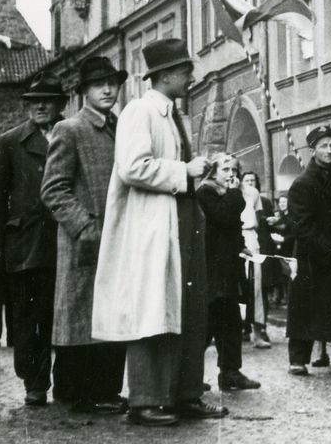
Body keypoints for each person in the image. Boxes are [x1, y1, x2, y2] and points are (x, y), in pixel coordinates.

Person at [91, 37, 226, 426]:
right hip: (154, 227)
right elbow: (133, 166)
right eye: (185, 71)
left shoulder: (172, 114)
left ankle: (185, 393)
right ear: (165, 75)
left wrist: (197, 175)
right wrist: (184, 171)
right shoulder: (140, 111)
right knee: (153, 312)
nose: (190, 77)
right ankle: (146, 399)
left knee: (188, 311)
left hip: (182, 221)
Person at [40, 56, 127, 413]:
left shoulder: (119, 127)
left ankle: (105, 391)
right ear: (83, 92)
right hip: (85, 243)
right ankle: (77, 393)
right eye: (97, 84)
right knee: (80, 318)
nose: (107, 89)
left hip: (117, 238)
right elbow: (53, 189)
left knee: (111, 315)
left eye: (112, 83)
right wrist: (86, 228)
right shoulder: (70, 129)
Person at [0, 71, 66, 406]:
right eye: (34, 102)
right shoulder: (9, 142)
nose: (40, 107)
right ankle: (35, 383)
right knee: (28, 317)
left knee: (65, 312)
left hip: (66, 238)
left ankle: (68, 382)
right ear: (26, 106)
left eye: (48, 102)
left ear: (60, 105)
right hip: (25, 242)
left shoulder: (72, 134)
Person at [286, 124, 331, 375]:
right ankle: (297, 359)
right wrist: (329, 251)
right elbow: (301, 226)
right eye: (323, 146)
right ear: (313, 150)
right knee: (305, 309)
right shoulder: (303, 184)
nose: (329, 150)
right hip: (312, 256)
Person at [196, 153, 260, 392]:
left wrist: (240, 243)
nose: (231, 174)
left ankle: (230, 373)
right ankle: (189, 376)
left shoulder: (226, 193)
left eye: (234, 170)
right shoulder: (206, 192)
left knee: (230, 321)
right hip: (213, 267)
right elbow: (223, 216)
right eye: (225, 170)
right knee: (209, 322)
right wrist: (235, 193)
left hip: (228, 265)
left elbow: (233, 224)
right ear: (213, 172)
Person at [239, 170, 271, 348]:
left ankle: (258, 333)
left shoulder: (253, 193)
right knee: (236, 286)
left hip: (251, 239)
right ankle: (237, 331)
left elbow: (259, 219)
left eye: (234, 170)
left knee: (256, 287)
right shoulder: (223, 191)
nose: (231, 174)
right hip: (233, 239)